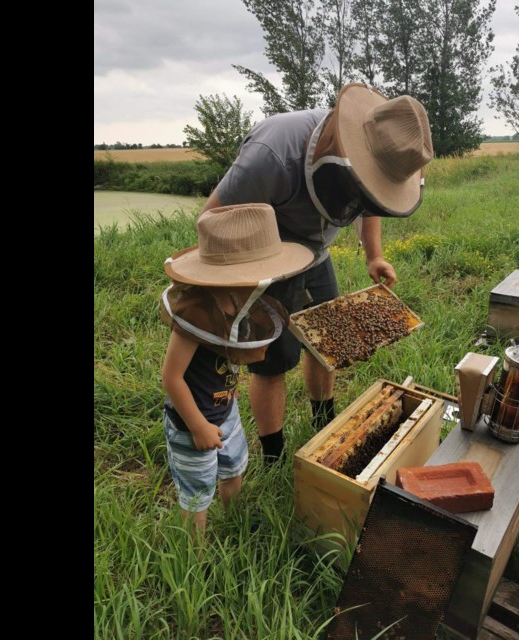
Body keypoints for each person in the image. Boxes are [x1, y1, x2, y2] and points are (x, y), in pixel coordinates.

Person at [200, 83, 434, 462]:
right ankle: (273, 455)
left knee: (327, 341)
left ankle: (323, 419)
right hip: (266, 251)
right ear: (342, 150)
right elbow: (211, 220)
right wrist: (237, 289)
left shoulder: (375, 155)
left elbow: (371, 199)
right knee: (272, 359)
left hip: (316, 250)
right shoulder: (271, 155)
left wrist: (374, 254)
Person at [160, 203, 314, 533]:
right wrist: (198, 425)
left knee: (234, 468)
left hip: (225, 410)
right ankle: (194, 555)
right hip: (192, 420)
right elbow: (171, 378)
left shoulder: (244, 299)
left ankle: (237, 519)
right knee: (197, 491)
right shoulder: (196, 313)